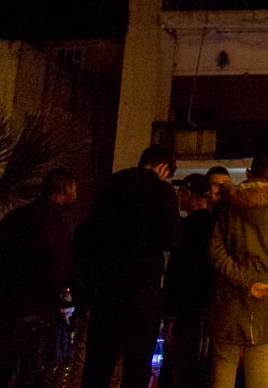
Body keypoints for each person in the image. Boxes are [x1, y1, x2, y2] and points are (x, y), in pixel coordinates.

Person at [78, 144, 182, 388]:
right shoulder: (161, 191)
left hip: (105, 287)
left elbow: (89, 236)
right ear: (163, 167)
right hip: (142, 290)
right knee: (137, 363)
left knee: (99, 362)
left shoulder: (109, 186)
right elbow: (172, 240)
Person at [208, 152, 268, 388]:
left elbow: (216, 251)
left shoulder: (227, 205)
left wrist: (245, 281)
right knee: (260, 364)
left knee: (224, 361)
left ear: (248, 173)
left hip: (229, 294)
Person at [0, 168, 78, 388]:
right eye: (73, 189)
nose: (75, 196)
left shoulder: (13, 218)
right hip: (38, 315)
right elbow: (59, 271)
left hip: (6, 309)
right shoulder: (56, 226)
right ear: (63, 189)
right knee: (33, 376)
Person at [161, 173, 218, 388]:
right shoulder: (214, 227)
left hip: (187, 312)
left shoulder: (188, 228)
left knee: (181, 371)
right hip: (204, 309)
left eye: (180, 192)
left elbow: (180, 272)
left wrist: (172, 314)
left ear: (190, 193)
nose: (178, 197)